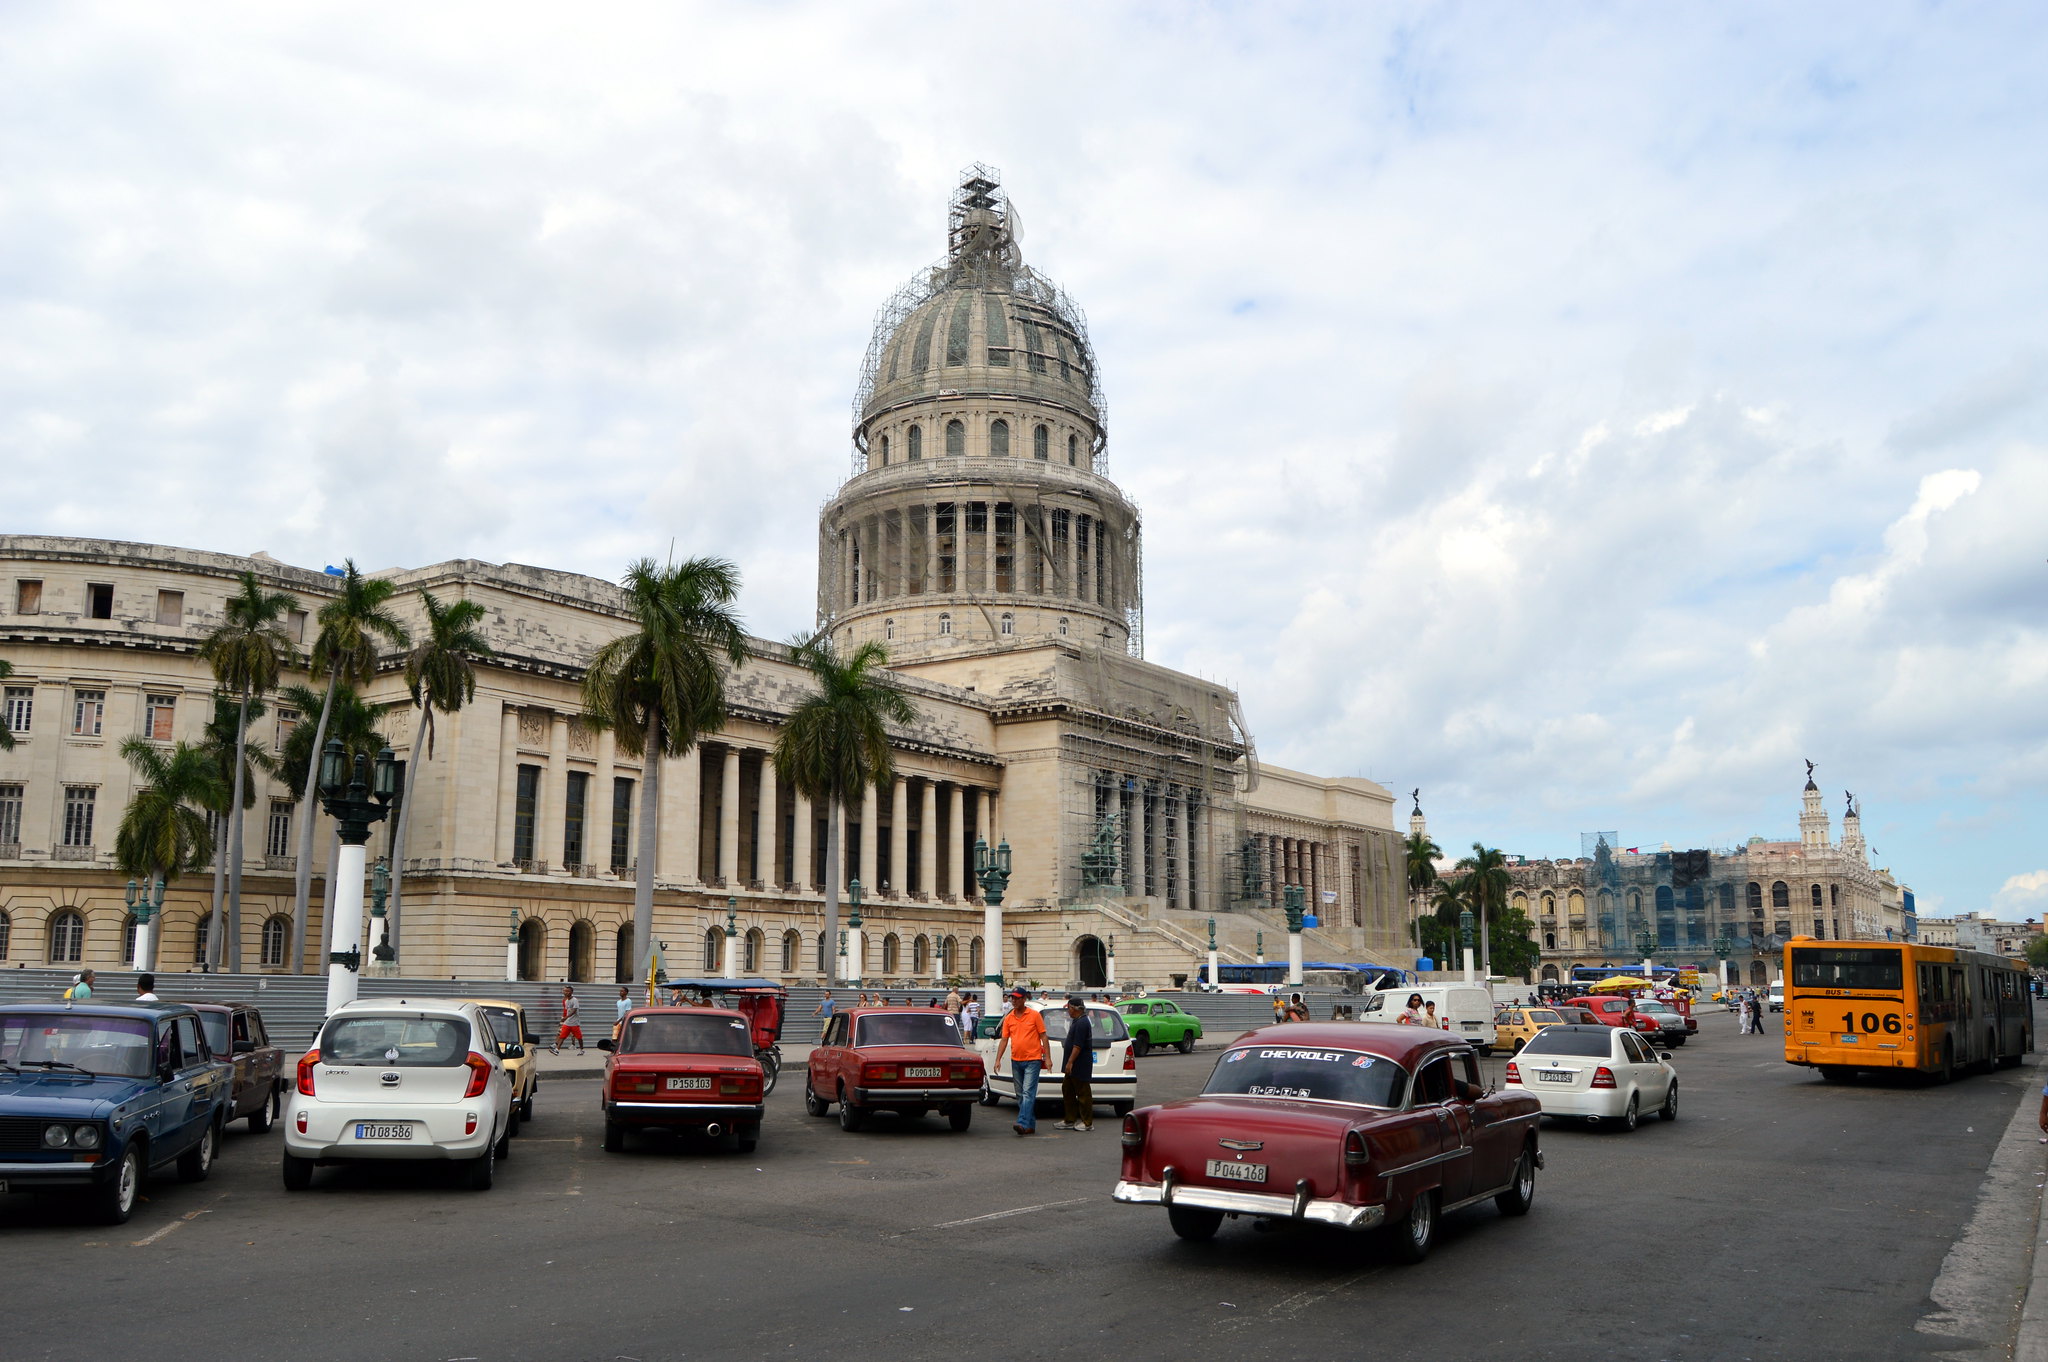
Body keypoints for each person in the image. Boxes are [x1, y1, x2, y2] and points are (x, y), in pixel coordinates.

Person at [993, 987, 1047, 1136]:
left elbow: (1043, 1037)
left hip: (1033, 1060)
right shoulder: (1009, 1018)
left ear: (1024, 999)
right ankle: (1030, 1125)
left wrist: (1047, 1058)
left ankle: (1022, 1122)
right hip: (1016, 1060)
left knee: (1028, 1093)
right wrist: (998, 1059)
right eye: (1012, 998)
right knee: (1020, 1094)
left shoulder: (1034, 1015)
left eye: (1017, 998)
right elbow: (1004, 1040)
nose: (1014, 1001)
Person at [1054, 996, 1095, 1132]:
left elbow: (1078, 1045)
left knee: (1083, 1093)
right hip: (1073, 1064)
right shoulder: (1077, 1021)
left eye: (1069, 1009)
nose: (1068, 1012)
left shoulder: (1082, 1023)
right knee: (1068, 1090)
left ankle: (1087, 1122)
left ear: (1073, 1008)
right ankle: (1070, 1119)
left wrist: (1070, 1062)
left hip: (1080, 1063)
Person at [551, 986, 584, 1054]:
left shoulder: (574, 1000)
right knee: (562, 1036)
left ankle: (581, 1049)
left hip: (574, 1023)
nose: (566, 993)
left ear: (571, 992)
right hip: (567, 1022)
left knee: (579, 1038)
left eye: (568, 991)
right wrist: (564, 1019)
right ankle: (557, 1050)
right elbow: (567, 1010)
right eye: (565, 991)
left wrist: (566, 1017)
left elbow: (574, 1010)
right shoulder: (566, 1001)